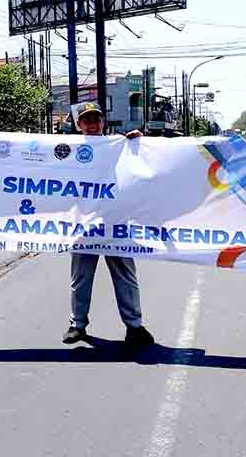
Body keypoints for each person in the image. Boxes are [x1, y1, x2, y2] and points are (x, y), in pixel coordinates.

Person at [62, 102, 154, 346]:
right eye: (86, 120)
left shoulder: (119, 145)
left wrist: (138, 142)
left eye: (96, 119)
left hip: (117, 224)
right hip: (84, 224)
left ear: (103, 121)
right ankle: (77, 325)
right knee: (80, 278)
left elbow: (142, 163)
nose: (92, 125)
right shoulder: (70, 151)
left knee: (125, 276)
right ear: (79, 125)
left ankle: (134, 327)